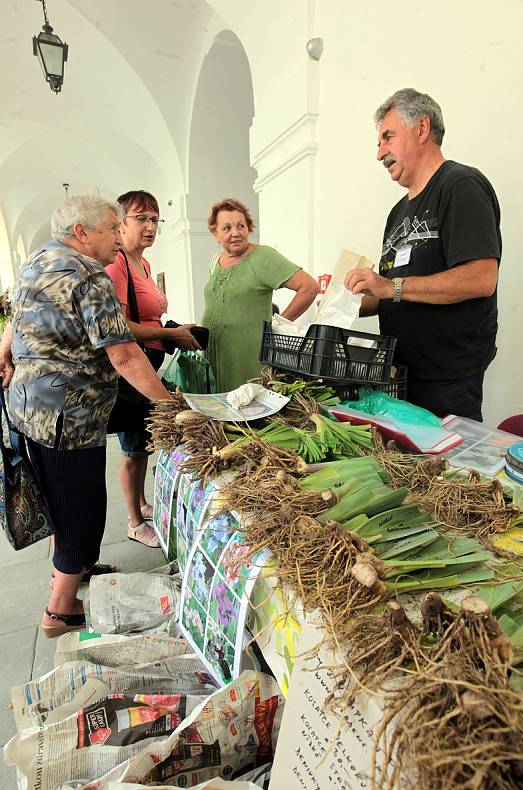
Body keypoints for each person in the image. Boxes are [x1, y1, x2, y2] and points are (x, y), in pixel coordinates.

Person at [0, 195, 172, 637]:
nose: (118, 237)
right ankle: (60, 610)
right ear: (82, 233)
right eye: (112, 229)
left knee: (59, 501)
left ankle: (74, 570)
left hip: (27, 407)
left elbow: (15, 319)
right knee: (82, 509)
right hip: (69, 415)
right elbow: (123, 353)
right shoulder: (89, 274)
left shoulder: (38, 259)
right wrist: (170, 406)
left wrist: (3, 352)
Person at [344, 88, 501, 421]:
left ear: (422, 128)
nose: (379, 153)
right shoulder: (396, 213)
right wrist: (344, 298)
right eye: (378, 143)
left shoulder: (460, 185)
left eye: (387, 137)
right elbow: (385, 291)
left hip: (448, 381)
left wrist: (392, 287)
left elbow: (481, 278)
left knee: (446, 471)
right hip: (399, 375)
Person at [106, 190, 200, 549]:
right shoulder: (116, 265)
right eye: (141, 219)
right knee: (132, 448)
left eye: (154, 219)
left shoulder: (142, 264)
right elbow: (119, 327)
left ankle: (142, 503)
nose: (150, 226)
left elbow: (149, 315)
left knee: (146, 443)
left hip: (154, 361)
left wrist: (176, 332)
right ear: (121, 223)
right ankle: (133, 520)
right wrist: (168, 333)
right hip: (134, 368)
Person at [202, 198, 319, 392]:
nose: (235, 233)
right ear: (215, 234)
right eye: (227, 228)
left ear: (249, 228)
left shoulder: (263, 257)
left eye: (241, 225)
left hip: (249, 356)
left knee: (248, 408)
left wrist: (277, 325)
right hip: (217, 354)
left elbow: (309, 287)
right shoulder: (216, 261)